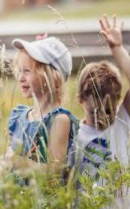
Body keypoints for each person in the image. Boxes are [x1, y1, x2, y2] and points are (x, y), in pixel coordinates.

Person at [73, 15, 130, 181]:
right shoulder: (75, 136)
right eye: (93, 111)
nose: (101, 117)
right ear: (80, 101)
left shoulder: (121, 122)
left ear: (117, 101)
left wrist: (117, 48)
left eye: (108, 110)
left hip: (125, 205)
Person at [5, 36, 79, 179]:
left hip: (42, 201)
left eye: (27, 71)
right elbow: (8, 167)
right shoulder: (19, 117)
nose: (20, 77)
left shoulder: (59, 120)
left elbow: (55, 174)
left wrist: (18, 162)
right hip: (16, 200)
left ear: (52, 76)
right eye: (19, 71)